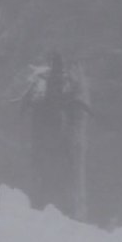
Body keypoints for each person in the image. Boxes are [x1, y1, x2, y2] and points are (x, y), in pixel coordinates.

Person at [19, 51, 90, 216]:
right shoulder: (59, 91)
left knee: (49, 174)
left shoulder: (43, 90)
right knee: (54, 174)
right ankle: (53, 210)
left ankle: (45, 208)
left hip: (49, 139)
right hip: (52, 140)